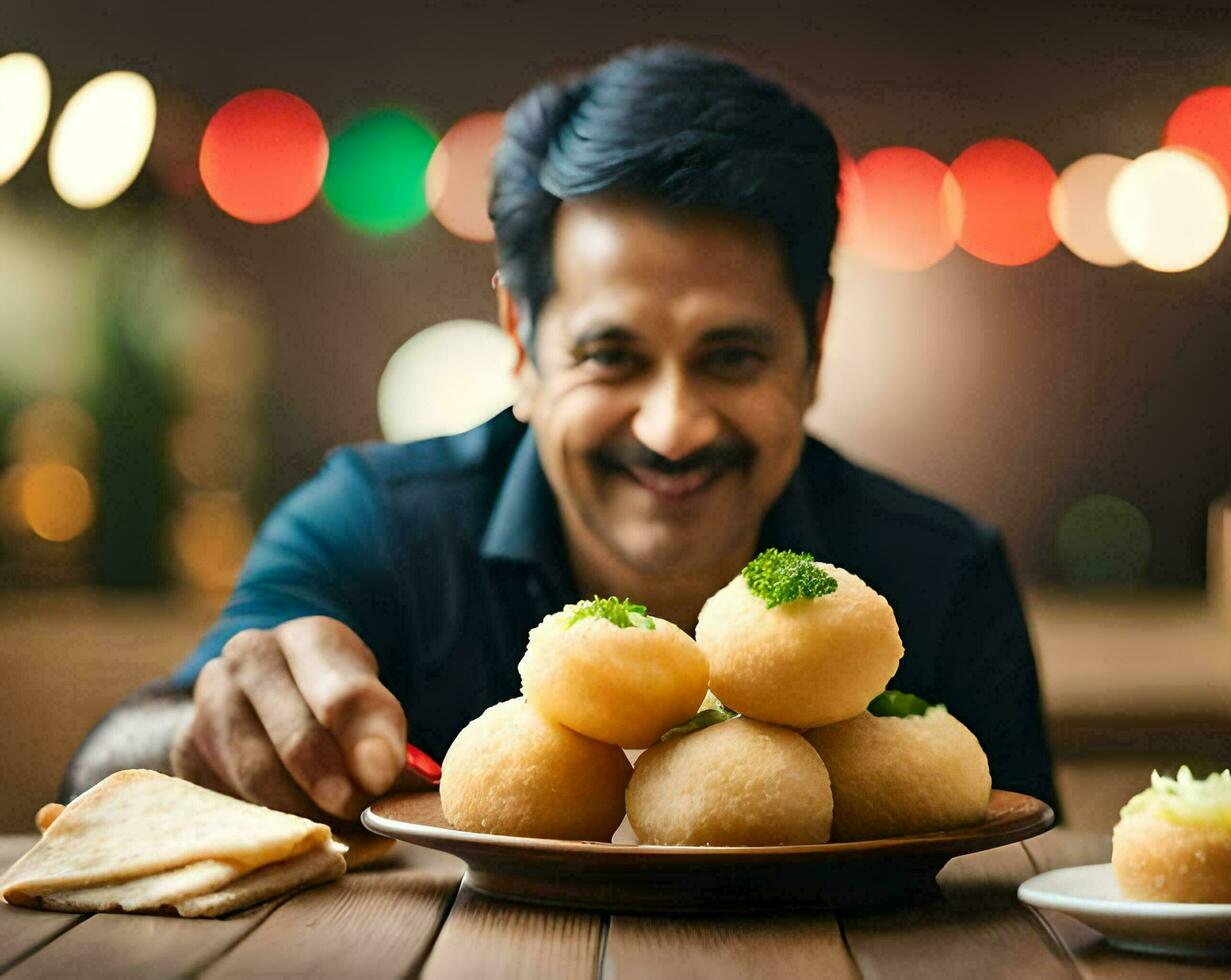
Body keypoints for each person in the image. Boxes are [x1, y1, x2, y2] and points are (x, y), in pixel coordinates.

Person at [62, 43, 1057, 823]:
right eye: (611, 356)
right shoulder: (373, 524)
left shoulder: (938, 573)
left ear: (815, 343)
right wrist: (213, 723)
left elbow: (1015, 890)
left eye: (733, 357)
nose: (672, 427)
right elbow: (108, 758)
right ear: (520, 344)